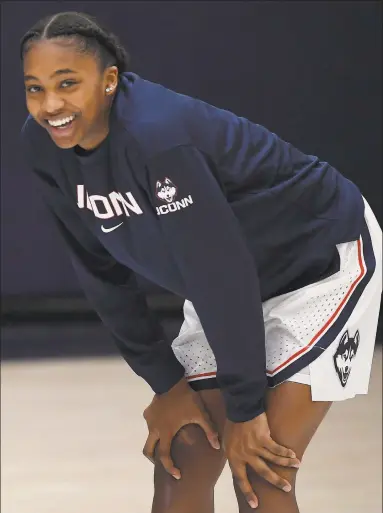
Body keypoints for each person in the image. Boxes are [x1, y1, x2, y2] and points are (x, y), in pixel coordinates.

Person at [19, 11, 382, 513]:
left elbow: (220, 272)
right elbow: (100, 271)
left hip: (317, 264)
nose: (51, 104)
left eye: (67, 83)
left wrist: (246, 406)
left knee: (260, 471)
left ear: (108, 82)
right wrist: (166, 384)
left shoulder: (157, 138)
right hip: (228, 281)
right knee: (184, 455)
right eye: (34, 88)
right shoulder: (43, 146)